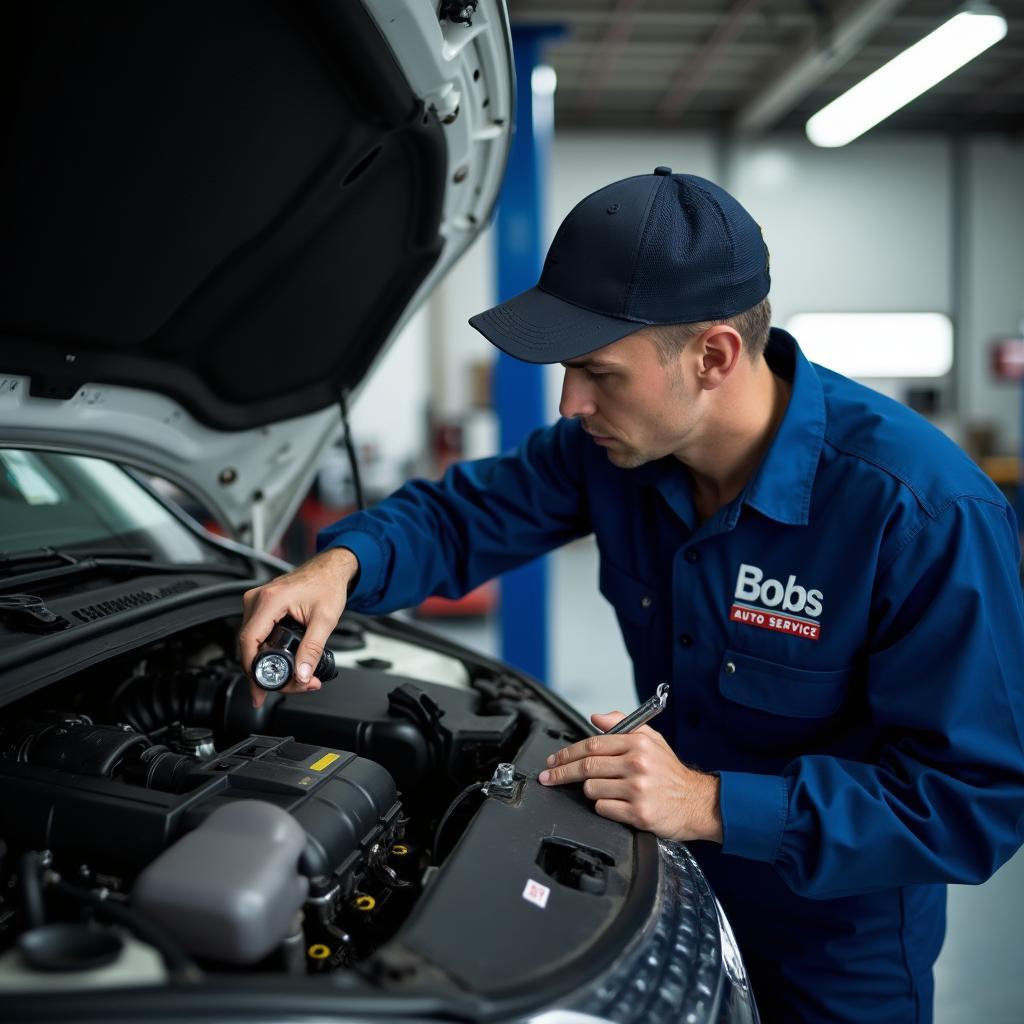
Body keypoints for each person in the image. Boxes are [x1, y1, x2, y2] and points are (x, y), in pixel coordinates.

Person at [238, 166, 1024, 1023]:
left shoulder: (919, 511)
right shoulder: (615, 451)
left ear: (714, 355)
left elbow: (974, 800)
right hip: (661, 882)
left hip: (831, 937)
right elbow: (461, 519)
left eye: (598, 372)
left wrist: (711, 801)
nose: (571, 403)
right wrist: (341, 566)